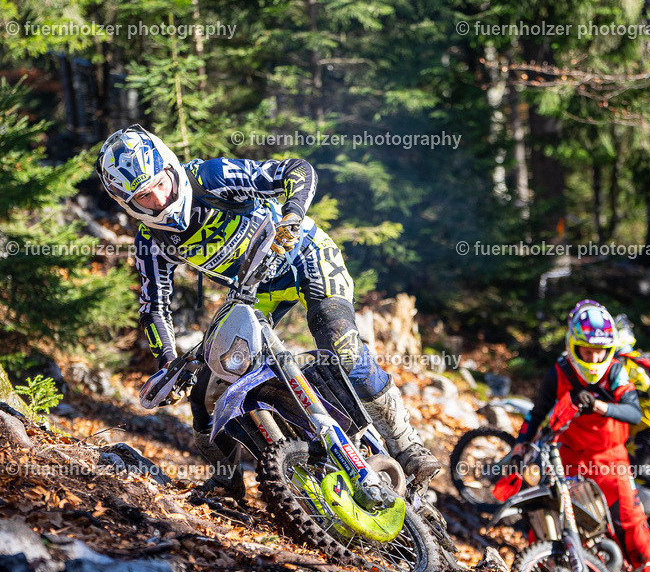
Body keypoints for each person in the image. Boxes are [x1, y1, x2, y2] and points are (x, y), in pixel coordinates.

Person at [96, 123, 440, 497]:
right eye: (145, 197)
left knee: (341, 344)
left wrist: (291, 215)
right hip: (253, 289)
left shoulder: (210, 178)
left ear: (168, 164)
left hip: (305, 255)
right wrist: (167, 360)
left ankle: (407, 446)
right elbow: (154, 307)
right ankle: (227, 484)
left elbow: (296, 170)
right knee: (207, 392)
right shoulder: (151, 240)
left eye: (161, 182)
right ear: (128, 203)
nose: (161, 198)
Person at [512, 300, 650, 572]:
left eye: (598, 352)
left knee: (632, 526)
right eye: (586, 352)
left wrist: (599, 406)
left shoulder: (615, 371)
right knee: (546, 518)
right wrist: (520, 445)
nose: (592, 360)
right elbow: (537, 412)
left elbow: (632, 410)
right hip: (568, 458)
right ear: (573, 345)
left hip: (611, 461)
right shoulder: (559, 371)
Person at [614, 314, 650, 486]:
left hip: (647, 431)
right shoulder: (641, 359)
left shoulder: (622, 363)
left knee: (623, 473)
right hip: (647, 429)